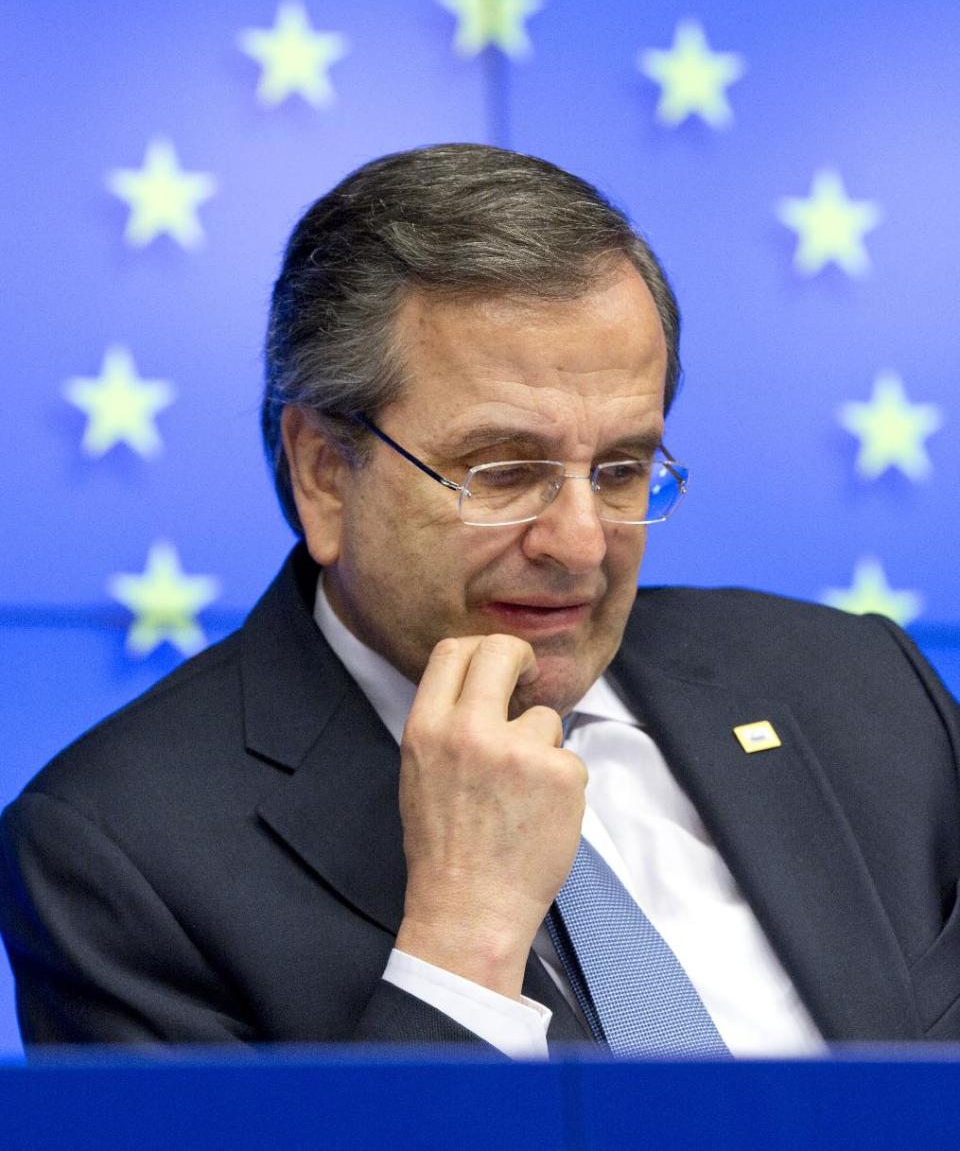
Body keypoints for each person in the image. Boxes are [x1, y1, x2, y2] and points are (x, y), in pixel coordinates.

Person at [2, 144, 959, 1056]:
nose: (581, 543)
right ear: (324, 473)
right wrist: (464, 941)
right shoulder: (119, 855)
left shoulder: (865, 691)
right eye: (504, 472)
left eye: (622, 468)